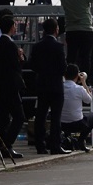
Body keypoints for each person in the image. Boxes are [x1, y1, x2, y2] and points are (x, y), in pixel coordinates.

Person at [30, 18, 68, 154]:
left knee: (41, 115)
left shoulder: (37, 46)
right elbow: (63, 67)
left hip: (42, 84)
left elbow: (32, 65)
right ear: (56, 29)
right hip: (56, 85)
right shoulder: (58, 47)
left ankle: (40, 145)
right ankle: (55, 145)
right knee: (56, 117)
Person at [0, 15, 26, 159]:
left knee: (2, 119)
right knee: (19, 117)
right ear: (10, 27)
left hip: (0, 87)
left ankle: (2, 146)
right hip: (11, 87)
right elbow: (15, 66)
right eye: (14, 25)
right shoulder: (10, 45)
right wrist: (20, 57)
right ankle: (7, 145)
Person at [60, 64, 93, 150]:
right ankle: (81, 141)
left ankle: (66, 138)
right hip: (77, 124)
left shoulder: (60, 87)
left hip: (61, 124)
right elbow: (89, 100)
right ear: (77, 75)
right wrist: (84, 82)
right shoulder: (79, 89)